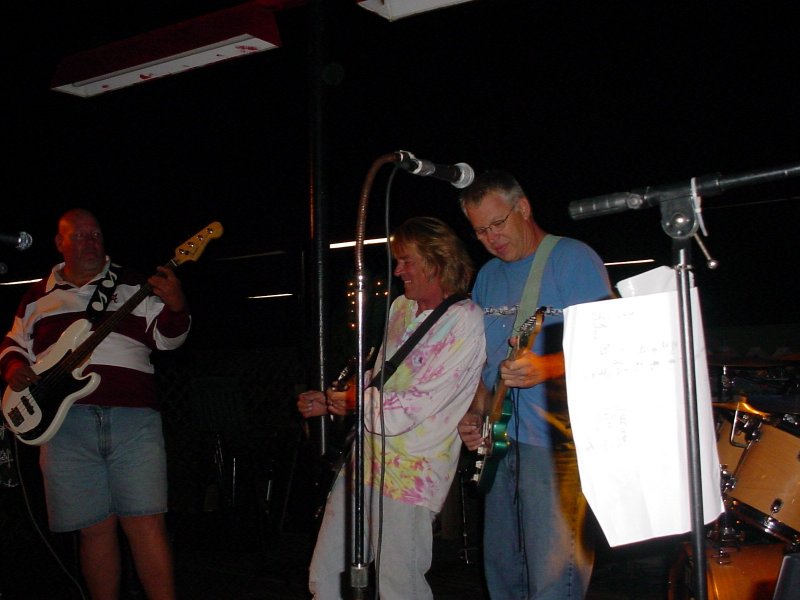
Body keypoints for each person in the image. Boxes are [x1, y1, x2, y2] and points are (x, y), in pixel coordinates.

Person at [0, 208, 190, 600]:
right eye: (80, 235)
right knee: (94, 530)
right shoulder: (36, 295)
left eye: (96, 234)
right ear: (60, 243)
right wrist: (15, 368)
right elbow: (13, 343)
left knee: (146, 523)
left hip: (133, 419)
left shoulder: (132, 283)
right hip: (63, 425)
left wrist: (176, 307)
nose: (91, 241)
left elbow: (168, 339)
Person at [297, 216, 485, 600]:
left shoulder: (466, 321)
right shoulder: (402, 307)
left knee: (399, 587)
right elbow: (383, 376)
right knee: (328, 575)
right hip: (366, 458)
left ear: (436, 262)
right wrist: (334, 400)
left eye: (406, 261)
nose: (398, 271)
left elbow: (412, 406)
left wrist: (355, 402)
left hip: (410, 473)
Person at [457, 170, 613, 600]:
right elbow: (485, 364)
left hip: (557, 443)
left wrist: (547, 366)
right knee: (503, 573)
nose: (491, 238)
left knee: (553, 577)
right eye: (480, 231)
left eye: (498, 224)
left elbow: (611, 346)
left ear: (523, 208)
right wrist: (475, 412)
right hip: (500, 442)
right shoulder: (487, 276)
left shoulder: (572, 259)